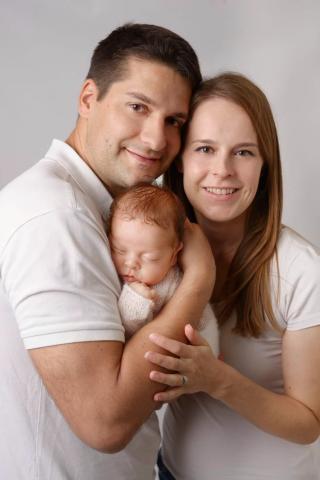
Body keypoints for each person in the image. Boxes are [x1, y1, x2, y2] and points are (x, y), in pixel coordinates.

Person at [0, 23, 216, 480]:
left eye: (174, 121)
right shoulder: (57, 216)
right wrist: (198, 281)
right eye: (138, 107)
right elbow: (106, 421)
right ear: (87, 99)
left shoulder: (96, 209)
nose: (157, 140)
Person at [145, 72, 320, 479]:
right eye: (205, 148)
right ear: (181, 158)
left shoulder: (301, 269)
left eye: (243, 152)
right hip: (169, 471)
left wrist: (217, 379)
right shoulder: (156, 253)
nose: (222, 170)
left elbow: (308, 423)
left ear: (264, 166)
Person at [108, 183, 219, 353]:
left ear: (174, 255)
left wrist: (136, 299)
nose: (130, 263)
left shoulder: (173, 286)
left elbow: (131, 330)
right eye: (119, 250)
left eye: (149, 257)